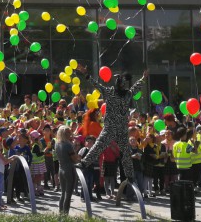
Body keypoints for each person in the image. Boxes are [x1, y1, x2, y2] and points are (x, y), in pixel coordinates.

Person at [78, 66, 147, 205]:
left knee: (126, 153)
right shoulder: (110, 92)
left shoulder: (127, 94)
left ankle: (130, 176)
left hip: (121, 129)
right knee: (98, 146)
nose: (123, 86)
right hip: (110, 128)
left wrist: (144, 79)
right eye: (121, 83)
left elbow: (135, 88)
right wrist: (86, 74)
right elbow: (96, 85)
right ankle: (84, 163)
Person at [55, 125, 79, 215]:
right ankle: (65, 215)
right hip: (69, 169)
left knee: (62, 193)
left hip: (61, 169)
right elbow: (74, 159)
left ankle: (61, 214)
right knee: (68, 194)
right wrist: (78, 157)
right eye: (69, 132)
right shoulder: (68, 144)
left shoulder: (57, 143)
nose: (71, 134)